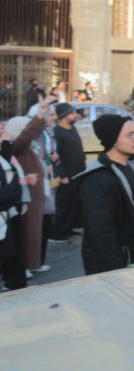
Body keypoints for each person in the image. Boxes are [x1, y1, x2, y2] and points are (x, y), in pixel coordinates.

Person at [68, 114, 134, 274]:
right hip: (114, 265)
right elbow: (101, 233)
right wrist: (117, 272)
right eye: (130, 135)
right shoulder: (97, 178)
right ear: (112, 139)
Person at [4, 95, 58, 274]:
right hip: (22, 200)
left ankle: (24, 269)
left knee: (30, 236)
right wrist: (40, 114)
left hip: (32, 196)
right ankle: (21, 271)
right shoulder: (16, 147)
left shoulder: (25, 148)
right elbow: (27, 136)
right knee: (25, 237)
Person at [0, 119, 38, 291]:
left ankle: (16, 285)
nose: (3, 131)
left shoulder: (3, 154)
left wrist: (6, 145)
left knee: (12, 254)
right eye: (0, 131)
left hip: (6, 215)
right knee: (10, 255)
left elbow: (8, 172)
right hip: (4, 212)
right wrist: (16, 189)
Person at [51, 103, 86, 242]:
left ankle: (69, 227)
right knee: (64, 204)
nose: (75, 115)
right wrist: (63, 175)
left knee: (74, 203)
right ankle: (56, 233)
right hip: (66, 176)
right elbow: (54, 156)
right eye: (72, 113)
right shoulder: (57, 132)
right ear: (64, 115)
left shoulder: (73, 128)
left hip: (77, 173)